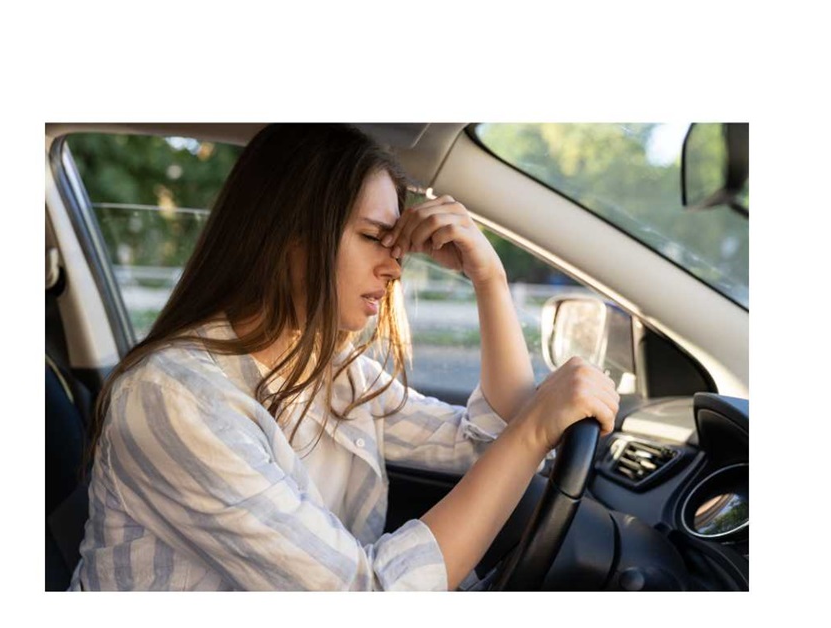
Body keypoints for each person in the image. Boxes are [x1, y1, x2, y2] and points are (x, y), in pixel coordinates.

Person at [70, 123, 619, 591]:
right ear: (292, 235)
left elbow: (485, 443)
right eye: (373, 237)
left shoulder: (325, 365)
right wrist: (532, 429)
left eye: (395, 244)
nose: (395, 267)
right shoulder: (174, 398)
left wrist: (489, 278)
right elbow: (366, 592)